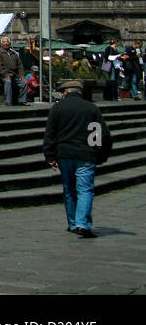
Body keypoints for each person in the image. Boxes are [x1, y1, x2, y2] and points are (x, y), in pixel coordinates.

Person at [43, 80, 112, 237]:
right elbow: (101, 134)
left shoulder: (58, 108)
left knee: (69, 189)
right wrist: (101, 155)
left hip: (64, 154)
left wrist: (50, 155)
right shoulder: (91, 108)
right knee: (85, 189)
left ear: (66, 92)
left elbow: (50, 134)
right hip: (86, 154)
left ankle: (73, 223)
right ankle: (83, 224)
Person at [0, 35, 23, 105]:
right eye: (4, 42)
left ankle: (22, 101)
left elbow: (20, 65)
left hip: (14, 74)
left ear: (9, 44)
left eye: (7, 42)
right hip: (3, 75)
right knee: (8, 82)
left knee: (24, 83)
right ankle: (8, 101)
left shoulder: (14, 53)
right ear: (1, 44)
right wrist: (5, 74)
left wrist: (22, 75)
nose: (6, 44)